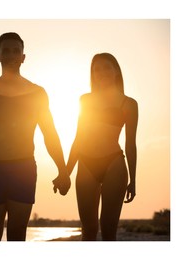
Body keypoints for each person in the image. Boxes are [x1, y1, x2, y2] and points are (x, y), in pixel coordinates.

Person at [0, 32, 70, 241]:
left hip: (23, 169)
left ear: (23, 57)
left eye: (16, 51)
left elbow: (50, 134)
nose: (11, 55)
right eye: (6, 51)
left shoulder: (37, 93)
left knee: (17, 237)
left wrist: (62, 169)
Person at [55, 53, 138, 241]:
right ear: (92, 73)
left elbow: (130, 144)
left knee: (109, 231)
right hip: (86, 164)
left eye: (107, 67)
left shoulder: (129, 104)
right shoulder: (85, 100)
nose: (102, 72)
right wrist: (66, 172)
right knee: (88, 230)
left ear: (116, 71)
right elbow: (78, 138)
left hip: (114, 164)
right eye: (97, 69)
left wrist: (133, 180)